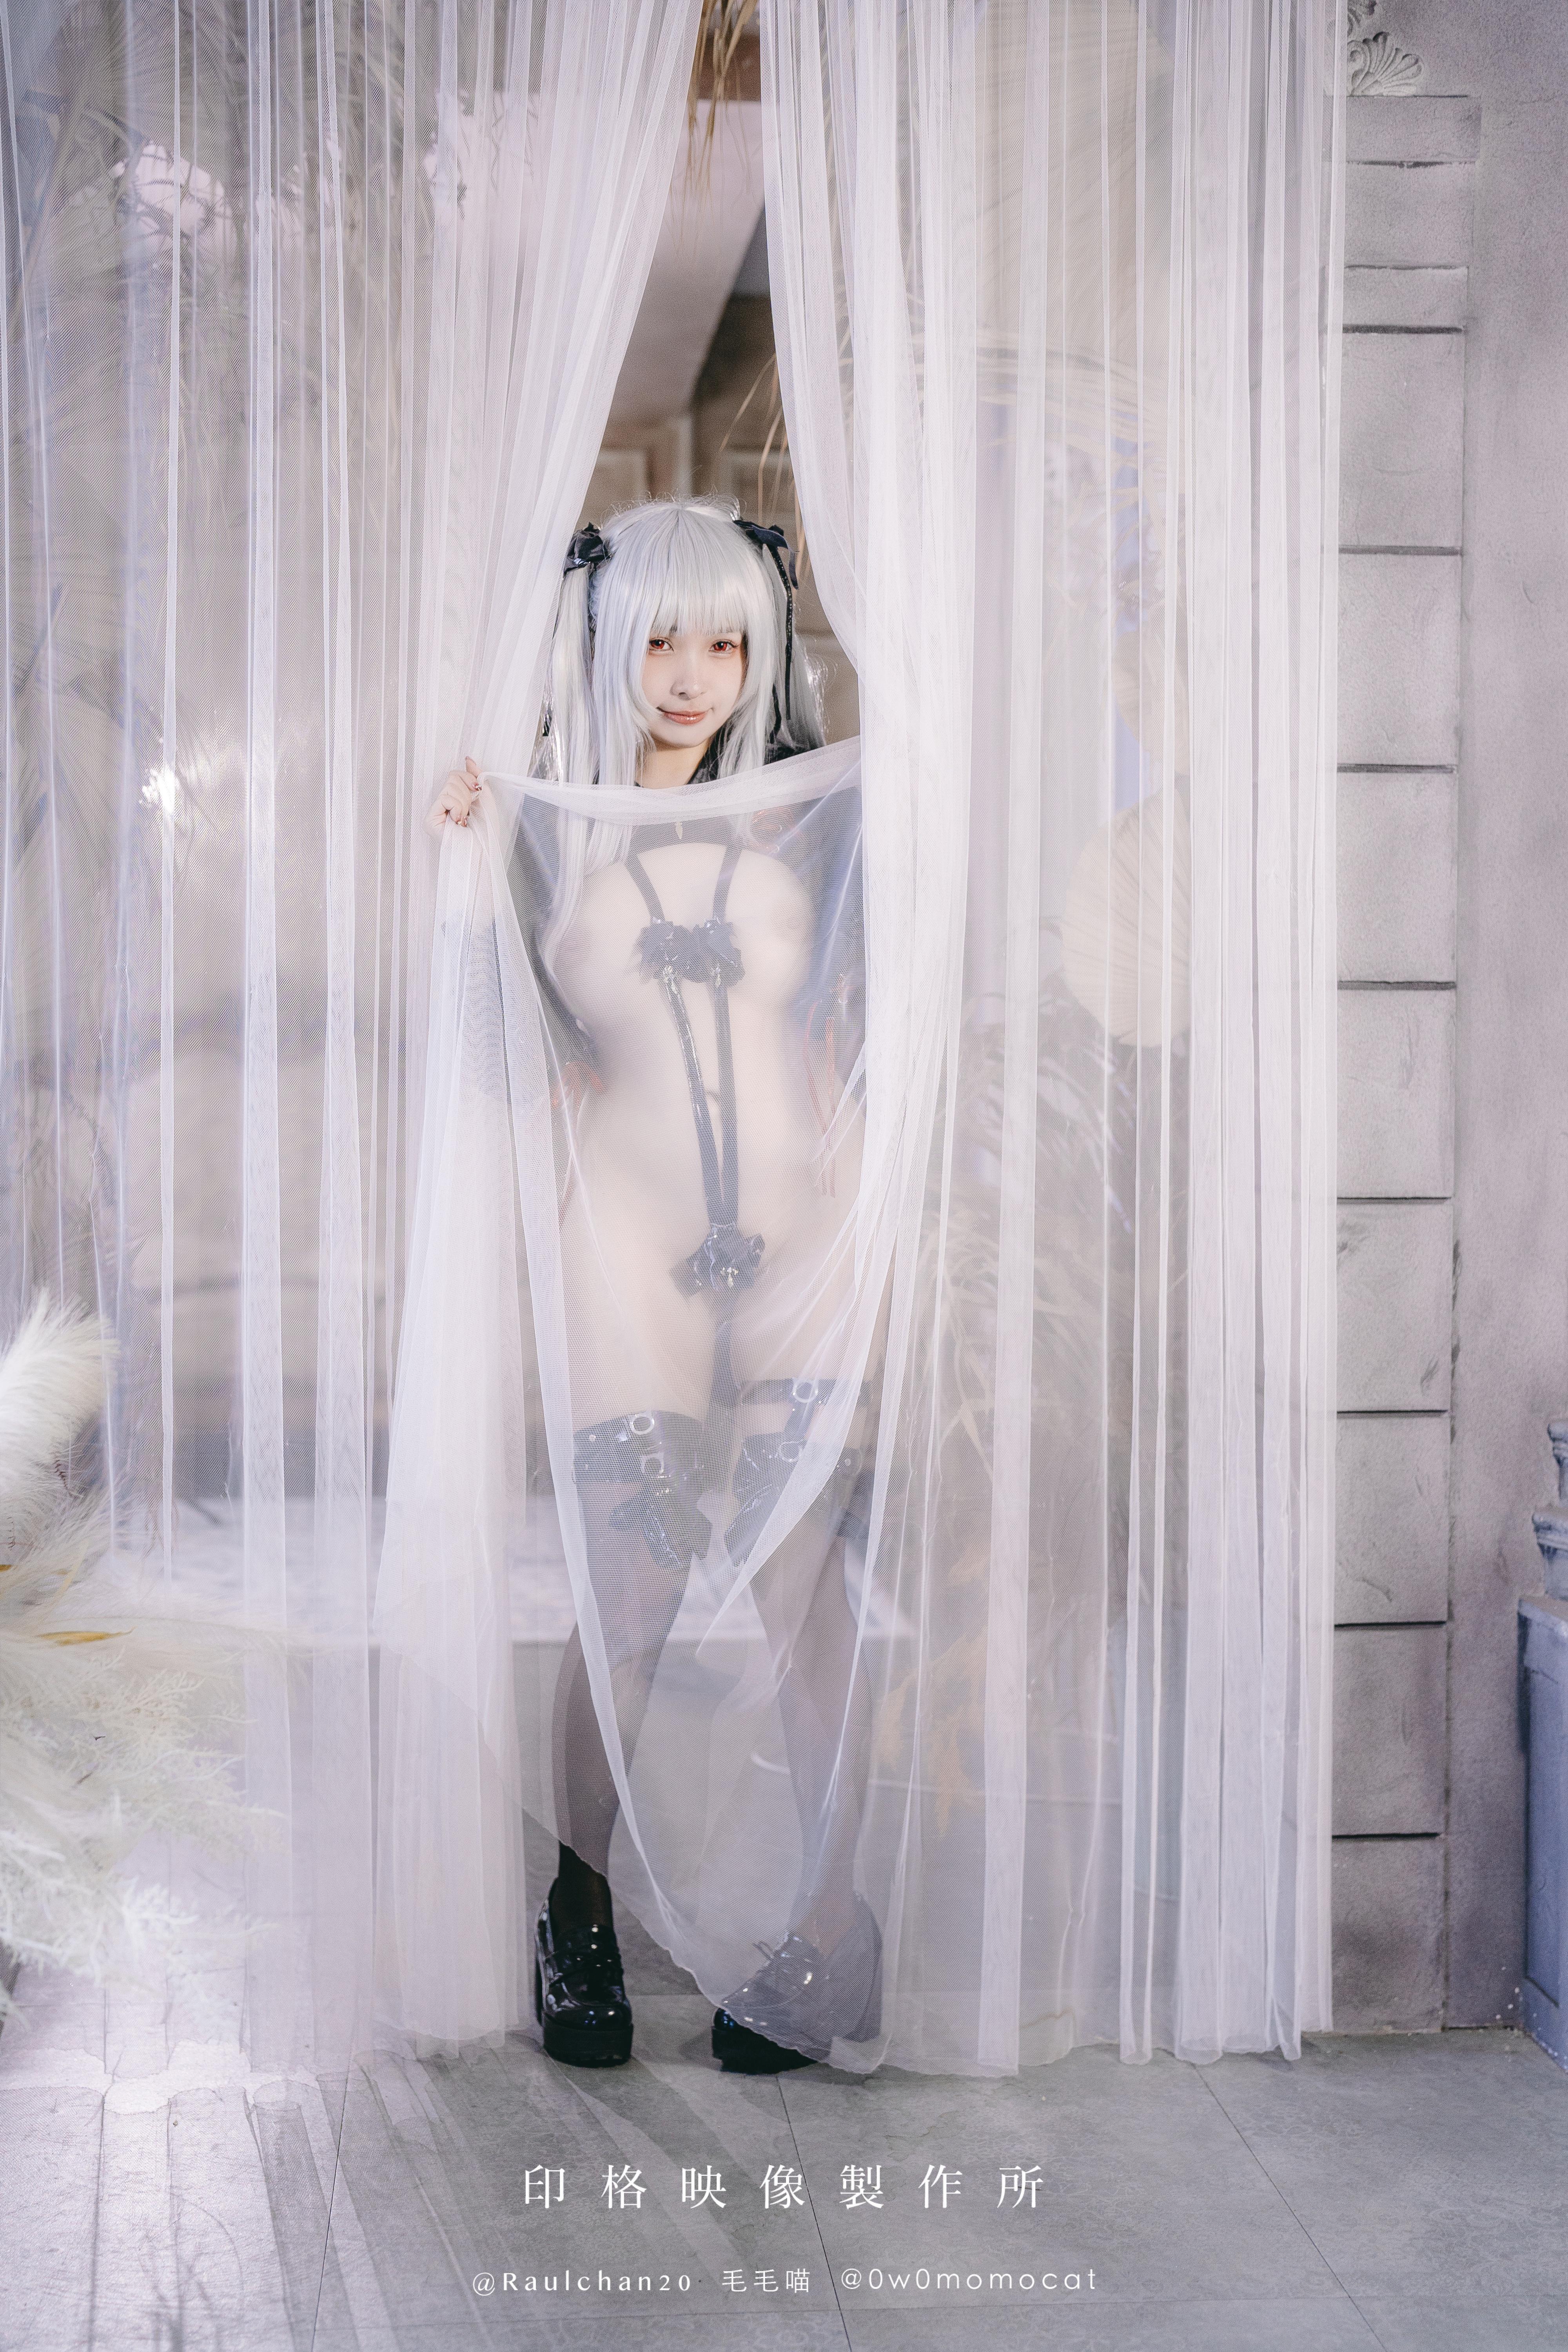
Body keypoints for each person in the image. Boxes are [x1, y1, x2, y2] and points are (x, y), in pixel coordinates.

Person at [427, 499, 879, 2073]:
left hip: (805, 1244)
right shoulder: (541, 826)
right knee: (627, 1599)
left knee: (805, 1597)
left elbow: (862, 1038)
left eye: (727, 644)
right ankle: (577, 1915)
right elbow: (496, 1065)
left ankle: (833, 1932)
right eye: (662, 641)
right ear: (608, 642)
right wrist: (463, 873)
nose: (692, 677)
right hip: (624, 1249)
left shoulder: (820, 813)